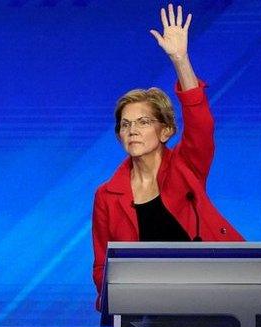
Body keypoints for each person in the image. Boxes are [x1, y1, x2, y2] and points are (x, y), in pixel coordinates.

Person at [92, 4, 242, 304]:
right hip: (148, 309)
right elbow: (101, 268)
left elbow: (200, 122)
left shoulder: (186, 167)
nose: (132, 130)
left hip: (215, 293)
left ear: (165, 131)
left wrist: (180, 59)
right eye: (125, 124)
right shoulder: (107, 196)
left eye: (143, 122)